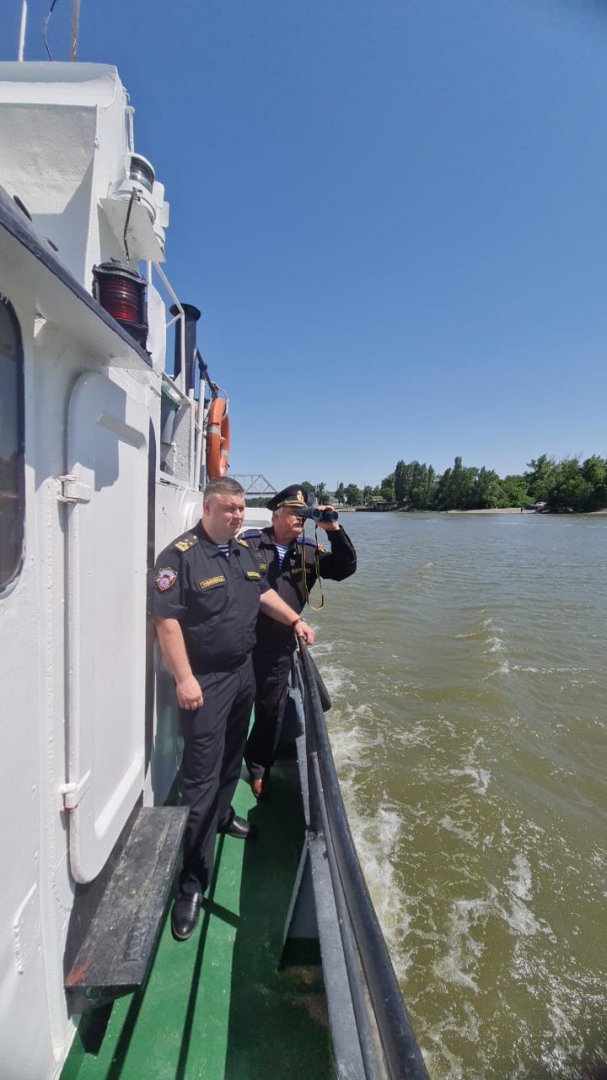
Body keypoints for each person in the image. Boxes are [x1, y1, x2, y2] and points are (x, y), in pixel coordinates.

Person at [153, 477, 314, 941]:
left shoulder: (243, 552)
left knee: (230, 758)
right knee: (200, 781)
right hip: (205, 681)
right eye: (229, 509)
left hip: (244, 671)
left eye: (242, 509)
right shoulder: (180, 557)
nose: (238, 516)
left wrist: (296, 619)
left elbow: (262, 594)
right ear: (207, 508)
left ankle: (224, 815)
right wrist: (184, 677)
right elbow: (166, 621)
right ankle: (192, 882)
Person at [242, 485, 356, 797]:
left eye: (303, 514)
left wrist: (333, 529)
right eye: (294, 512)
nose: (300, 518)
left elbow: (345, 569)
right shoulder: (249, 545)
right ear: (275, 515)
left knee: (270, 711)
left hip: (279, 645)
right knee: (235, 706)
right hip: (242, 640)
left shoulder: (308, 551)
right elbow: (255, 590)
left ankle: (257, 766)